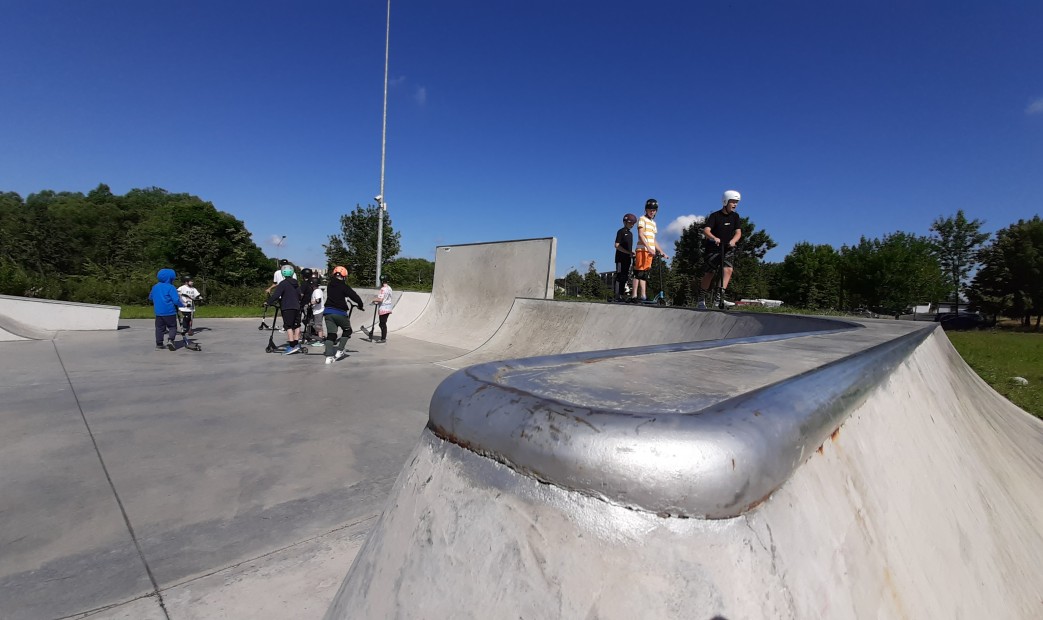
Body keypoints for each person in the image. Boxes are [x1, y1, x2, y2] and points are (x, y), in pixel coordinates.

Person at [697, 190, 743, 310]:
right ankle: (701, 299)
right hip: (713, 248)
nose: (735, 205)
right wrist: (714, 238)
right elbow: (706, 230)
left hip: (727, 248)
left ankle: (719, 299)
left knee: (728, 270)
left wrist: (733, 241)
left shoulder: (735, 216)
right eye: (732, 202)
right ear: (725, 201)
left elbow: (738, 232)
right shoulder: (715, 216)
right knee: (710, 273)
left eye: (736, 202)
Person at [323, 265, 365, 364]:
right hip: (340, 313)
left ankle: (328, 357)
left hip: (328, 312)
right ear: (344, 276)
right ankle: (340, 350)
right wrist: (360, 304)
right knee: (347, 330)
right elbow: (354, 296)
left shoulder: (330, 284)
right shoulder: (344, 286)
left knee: (331, 335)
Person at [631, 198, 669, 302]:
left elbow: (653, 239)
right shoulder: (642, 219)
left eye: (654, 210)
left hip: (650, 252)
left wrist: (661, 251)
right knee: (638, 272)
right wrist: (648, 248)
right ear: (646, 210)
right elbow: (641, 234)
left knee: (645, 274)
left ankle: (643, 296)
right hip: (642, 249)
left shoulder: (653, 223)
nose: (652, 212)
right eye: (650, 210)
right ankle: (634, 295)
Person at [266, 265, 303, 354]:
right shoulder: (296, 283)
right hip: (296, 307)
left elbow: (276, 295)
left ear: (283, 273)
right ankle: (296, 344)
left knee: (288, 326)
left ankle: (291, 346)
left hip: (287, 307)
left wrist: (268, 302)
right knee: (297, 325)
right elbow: (299, 295)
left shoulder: (283, 283)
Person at [148, 268, 184, 351]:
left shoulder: (155, 287)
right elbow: (175, 300)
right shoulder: (171, 287)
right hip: (169, 312)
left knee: (159, 328)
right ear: (170, 278)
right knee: (172, 327)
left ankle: (159, 343)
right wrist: (181, 304)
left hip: (158, 313)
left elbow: (150, 297)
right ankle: (171, 340)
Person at [613, 213, 636, 302]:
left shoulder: (630, 234)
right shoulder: (621, 231)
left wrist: (631, 253)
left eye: (634, 223)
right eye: (631, 223)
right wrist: (627, 252)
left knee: (625, 277)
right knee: (620, 276)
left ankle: (622, 295)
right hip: (620, 259)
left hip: (627, 259)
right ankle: (617, 296)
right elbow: (617, 245)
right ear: (625, 222)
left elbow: (629, 248)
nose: (632, 225)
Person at [371, 274, 394, 342]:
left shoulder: (383, 289)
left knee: (382, 324)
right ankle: (383, 337)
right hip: (388, 308)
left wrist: (373, 300)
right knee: (383, 323)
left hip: (383, 308)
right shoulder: (389, 288)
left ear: (381, 281)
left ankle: (383, 338)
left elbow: (380, 299)